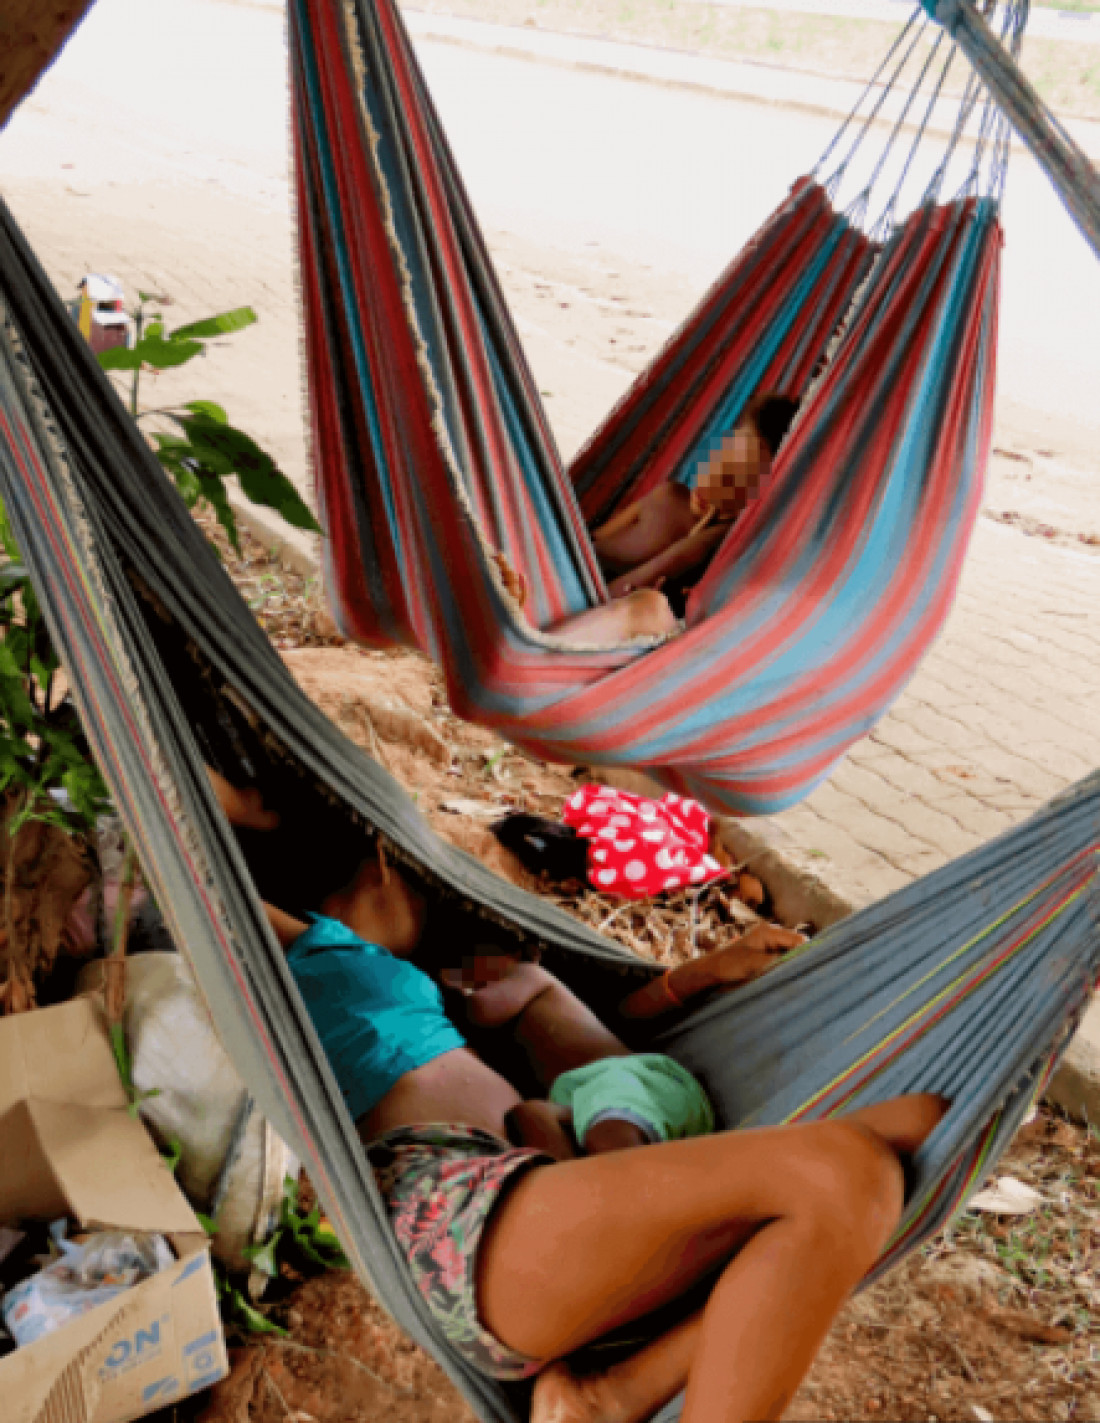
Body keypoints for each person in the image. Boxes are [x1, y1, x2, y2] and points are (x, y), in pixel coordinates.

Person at [209, 768, 948, 1423]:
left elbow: (591, 1026)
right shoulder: (303, 948)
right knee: (847, 1172)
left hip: (552, 1202)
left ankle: (605, 1397)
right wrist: (247, 805)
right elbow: (197, 863)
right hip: (447, 1206)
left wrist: (703, 974)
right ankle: (605, 1395)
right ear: (380, 860)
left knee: (918, 1129)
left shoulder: (445, 981)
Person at [546, 392, 800, 647]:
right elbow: (584, 537)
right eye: (723, 458)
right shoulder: (667, 496)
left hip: (582, 607)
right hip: (553, 569)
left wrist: (703, 533)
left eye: (734, 480)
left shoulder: (716, 542)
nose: (712, 482)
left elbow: (626, 589)